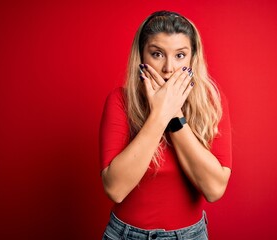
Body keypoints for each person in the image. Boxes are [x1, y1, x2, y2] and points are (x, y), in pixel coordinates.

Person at [99, 10, 232, 240]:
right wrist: (160, 115)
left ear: (193, 58)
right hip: (126, 235)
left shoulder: (211, 103)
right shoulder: (120, 101)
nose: (168, 68)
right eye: (157, 54)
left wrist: (174, 115)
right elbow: (115, 189)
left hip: (191, 235)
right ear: (141, 56)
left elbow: (214, 189)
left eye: (180, 55)